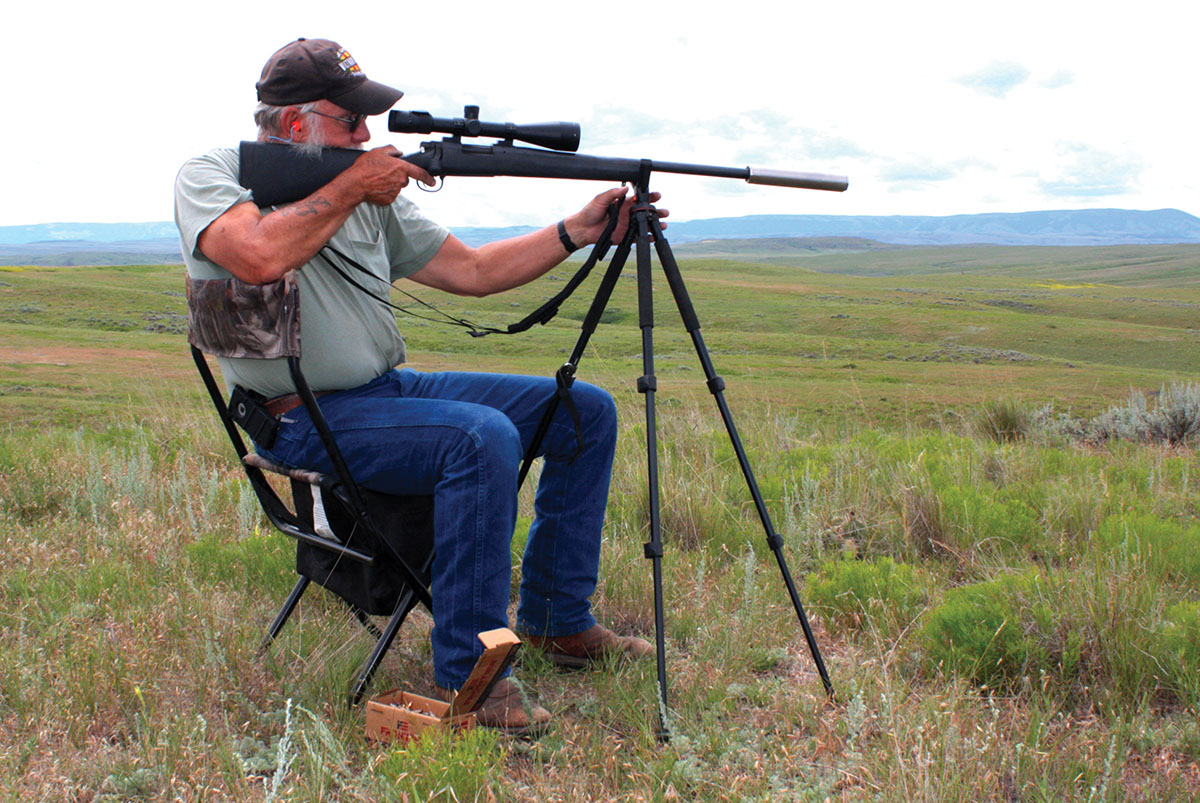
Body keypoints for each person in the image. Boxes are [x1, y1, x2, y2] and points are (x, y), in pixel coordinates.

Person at [174, 38, 664, 736]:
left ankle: (558, 619)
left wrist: (576, 231)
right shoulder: (213, 175)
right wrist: (353, 186)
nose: (366, 137)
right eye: (350, 122)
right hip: (302, 418)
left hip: (386, 392)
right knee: (480, 435)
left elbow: (473, 270)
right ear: (292, 126)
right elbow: (254, 253)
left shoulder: (368, 194)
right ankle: (472, 676)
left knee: (582, 411)